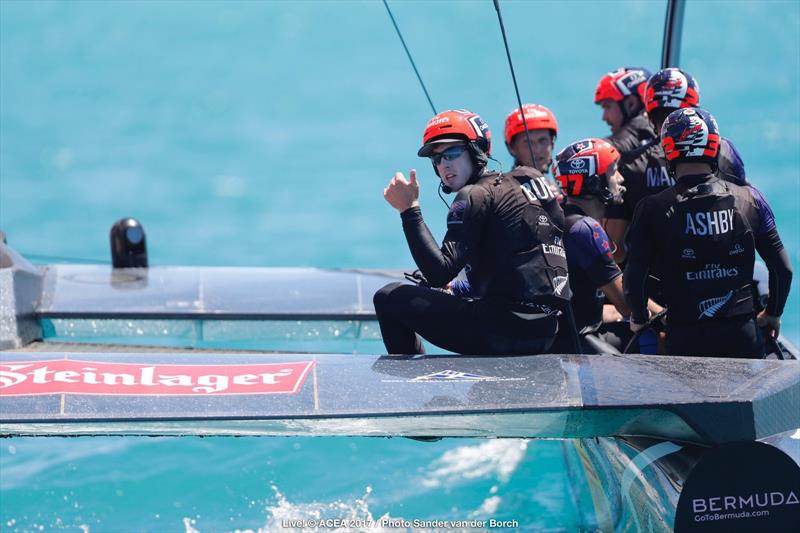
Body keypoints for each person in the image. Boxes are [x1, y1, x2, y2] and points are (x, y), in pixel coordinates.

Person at [373, 109, 569, 355]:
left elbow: (438, 272)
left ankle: (415, 388)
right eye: (436, 159)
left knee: (388, 297)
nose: (444, 165)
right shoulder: (531, 178)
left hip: (503, 331)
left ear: (477, 151)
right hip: (548, 331)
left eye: (452, 153)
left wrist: (409, 209)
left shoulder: (474, 194)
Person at [624, 107, 792, 358]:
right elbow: (782, 269)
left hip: (684, 339)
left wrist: (639, 317)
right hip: (742, 336)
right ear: (714, 148)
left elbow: (633, 278)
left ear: (668, 151)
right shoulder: (750, 199)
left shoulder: (651, 208)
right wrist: (773, 313)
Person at [546, 138, 633, 353]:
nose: (620, 179)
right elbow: (628, 305)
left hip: (559, 337)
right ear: (594, 181)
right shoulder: (586, 229)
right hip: (577, 343)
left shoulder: (564, 218)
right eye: (613, 171)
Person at [504, 104, 559, 175]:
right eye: (528, 143)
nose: (537, 150)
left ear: (552, 142)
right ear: (511, 148)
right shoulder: (501, 185)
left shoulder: (558, 185)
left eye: (543, 141)